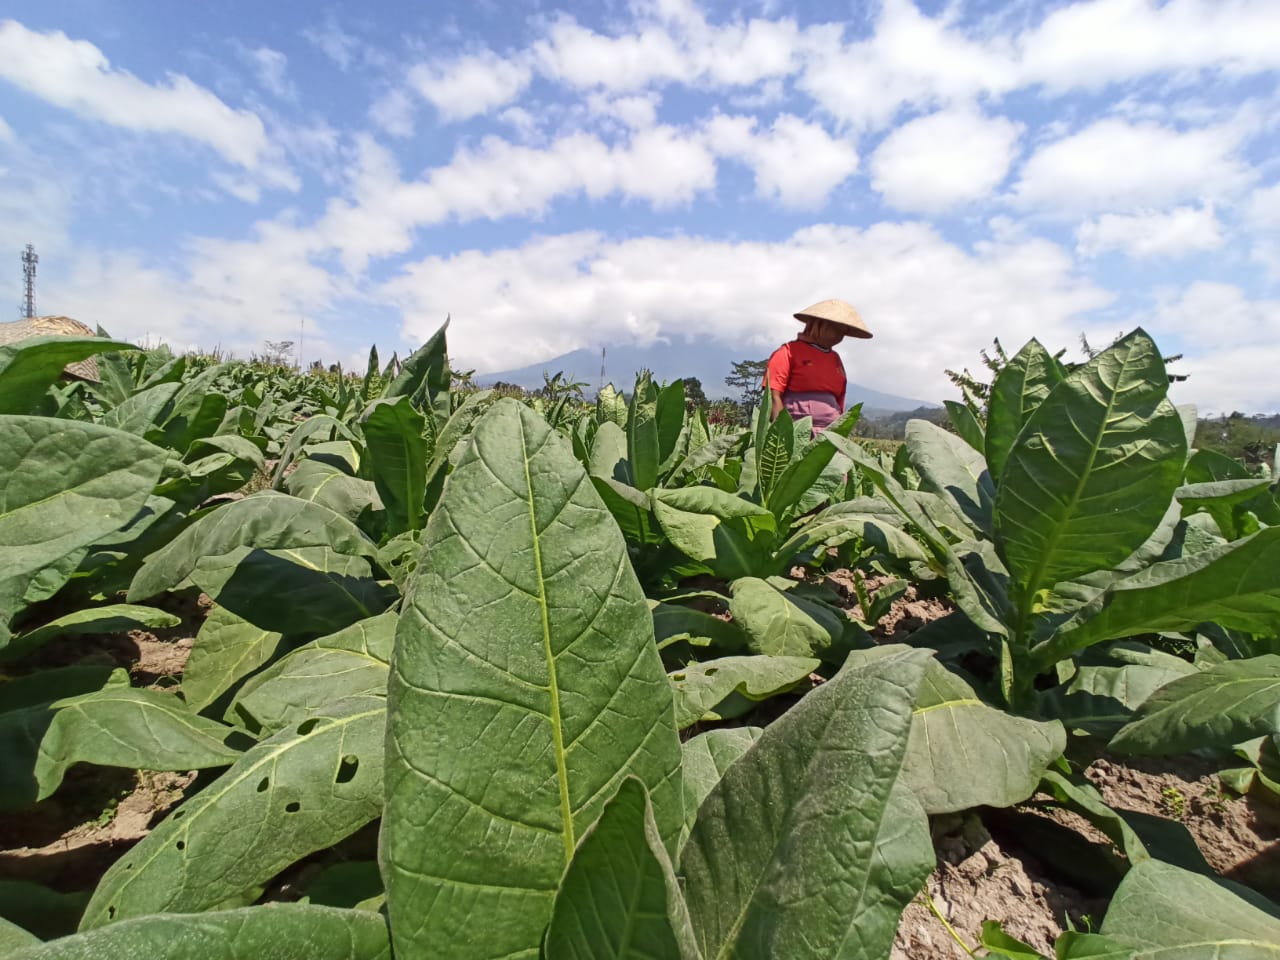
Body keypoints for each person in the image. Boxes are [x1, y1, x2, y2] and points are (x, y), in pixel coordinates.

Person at [764, 299, 872, 432]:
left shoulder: (835, 359)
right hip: (796, 429)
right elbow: (773, 395)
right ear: (819, 325)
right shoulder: (788, 352)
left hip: (829, 431)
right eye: (836, 328)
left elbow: (840, 398)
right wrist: (780, 433)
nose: (839, 335)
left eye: (843, 331)